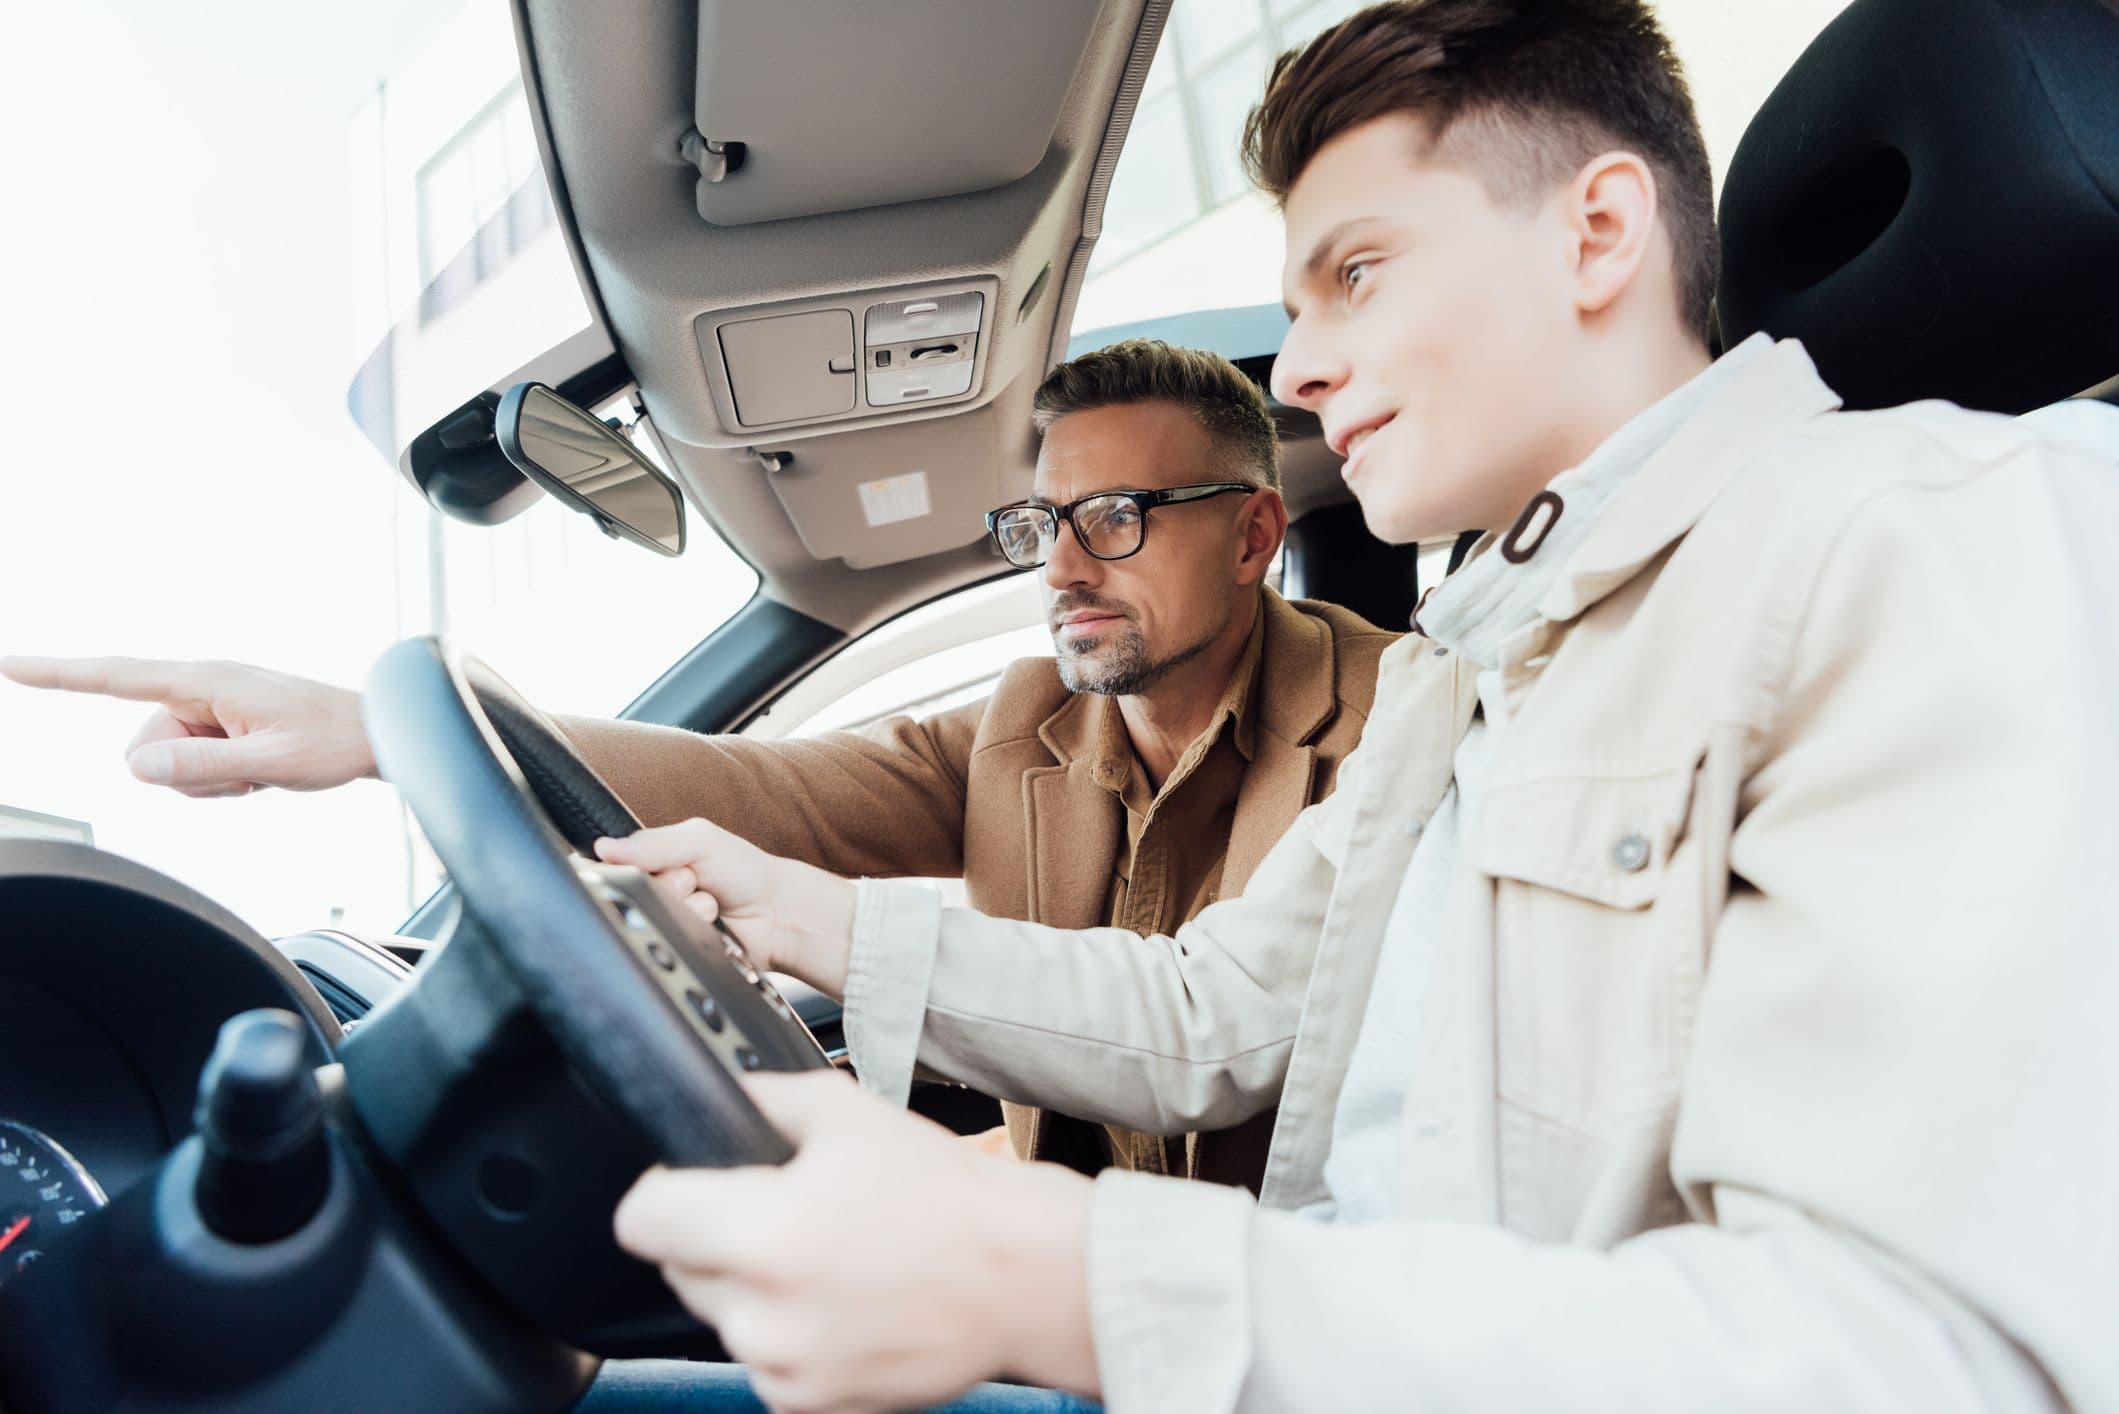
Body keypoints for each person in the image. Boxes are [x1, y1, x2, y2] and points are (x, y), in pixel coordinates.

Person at [584, 2, 2119, 1411]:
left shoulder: (1947, 542)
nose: (1303, 372)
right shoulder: (1471, 661)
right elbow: (1218, 1008)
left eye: (1357, 273)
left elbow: (1931, 1354)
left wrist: (1072, 1279)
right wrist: (799, 913)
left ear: (1597, 235)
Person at [0, 339, 1397, 1194]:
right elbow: (766, 791)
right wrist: (373, 729)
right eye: (1042, 522)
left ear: (1256, 533)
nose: (1066, 566)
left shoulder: (1397, 721)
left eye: (1113, 516)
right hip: (1058, 1271)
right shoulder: (1027, 719)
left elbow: (1221, 1035)